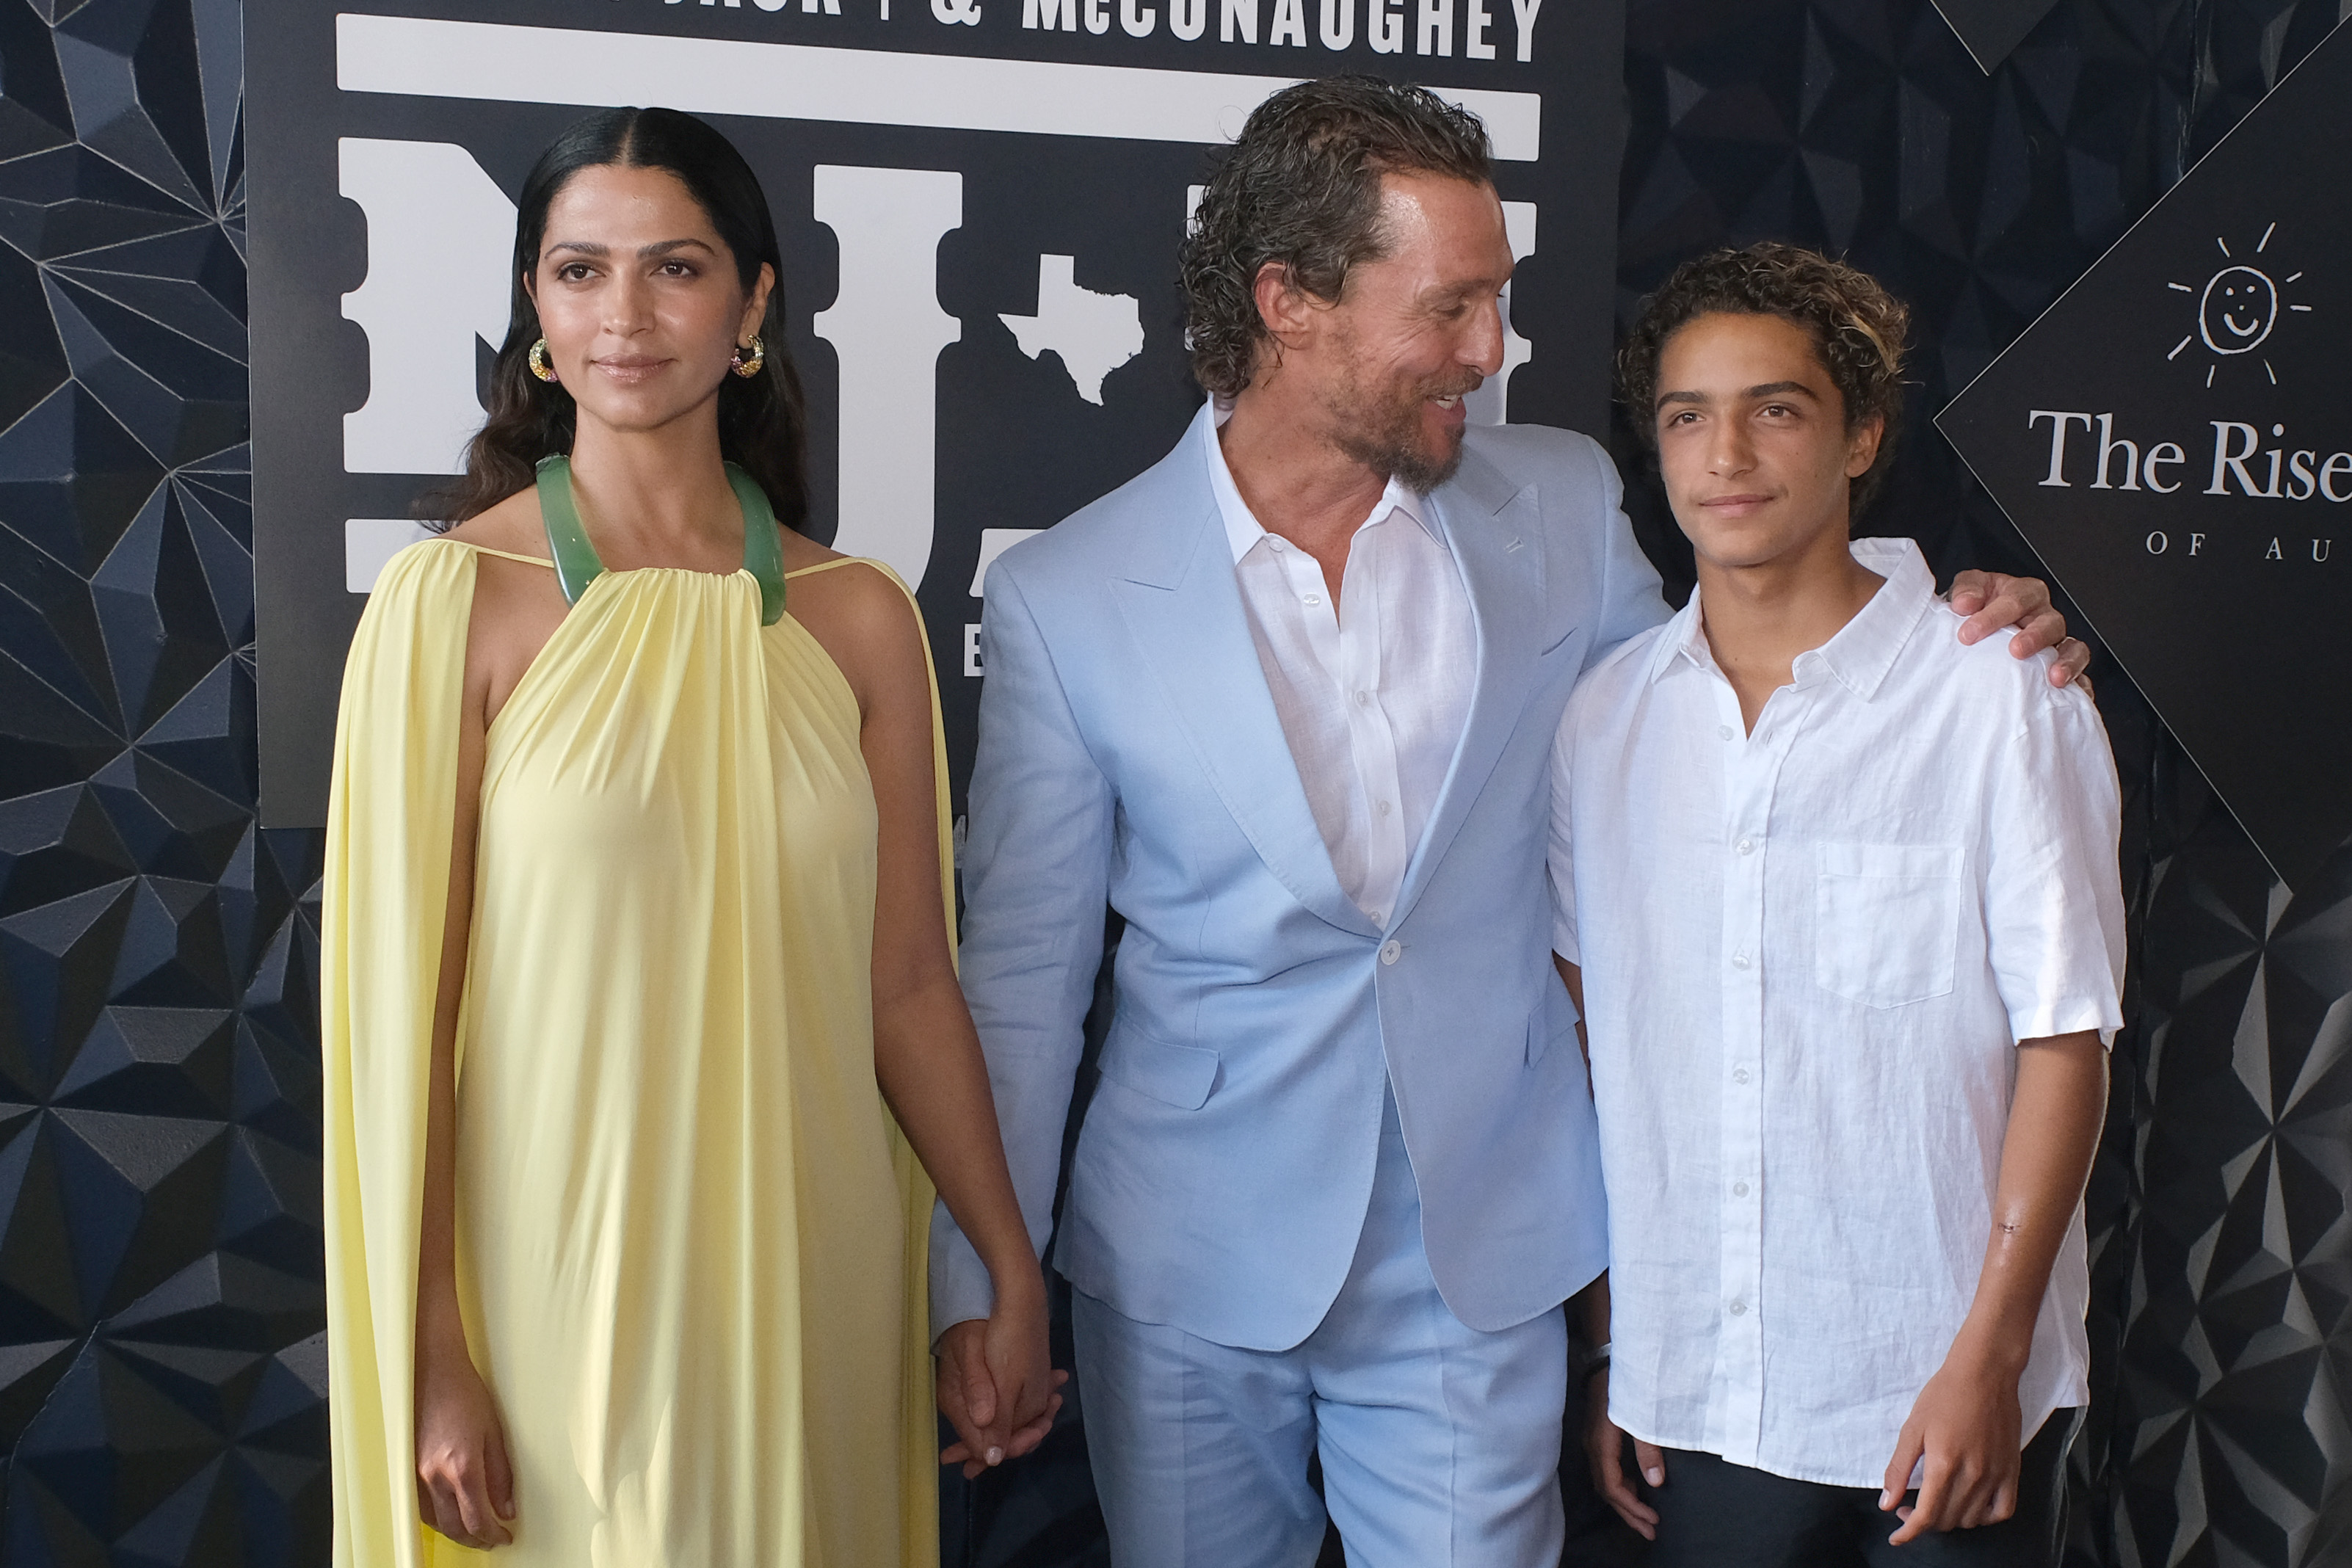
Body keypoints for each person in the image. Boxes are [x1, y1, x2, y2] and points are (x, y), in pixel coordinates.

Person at [929, 78, 2085, 1565]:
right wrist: (987, 1279)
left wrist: (1949, 626)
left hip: (1482, 1254)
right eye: (1451, 307)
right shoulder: (1069, 598)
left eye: (1500, 301)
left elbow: (1727, 707)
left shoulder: (1557, 501)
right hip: (1186, 1268)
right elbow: (1021, 991)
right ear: (1290, 303)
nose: (1493, 350)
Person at [319, 106, 1057, 1568]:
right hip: (555, 1284)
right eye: (580, 271)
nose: (625, 316)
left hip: (811, 1268)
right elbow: (399, 1028)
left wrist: (1009, 1267)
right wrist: (432, 1349)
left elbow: (908, 984)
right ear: (534, 304)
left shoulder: (859, 616)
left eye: (676, 268)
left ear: (755, 303)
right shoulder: (447, 608)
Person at [1556, 243, 2124, 1567]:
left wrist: (1987, 1358)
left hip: (1938, 1387)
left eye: (1777, 407)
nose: (1726, 453)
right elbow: (1596, 1047)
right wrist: (1617, 1347)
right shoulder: (1605, 725)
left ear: (1862, 432)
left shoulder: (1998, 698)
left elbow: (2066, 1040)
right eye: (1687, 416)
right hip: (1703, 1393)